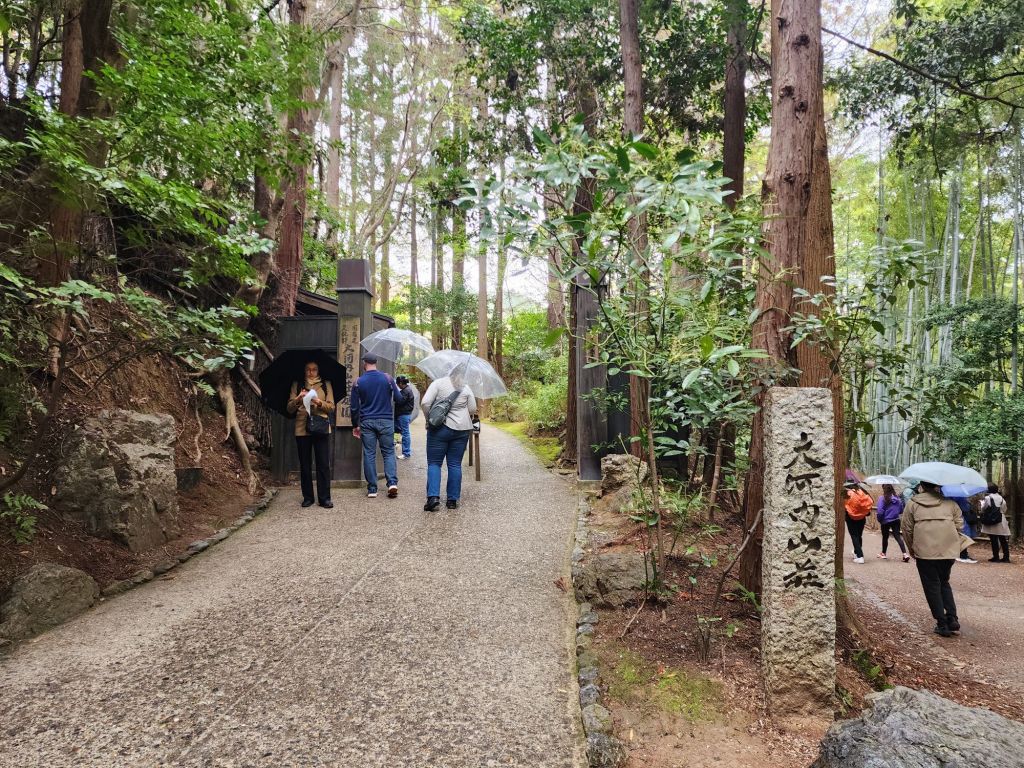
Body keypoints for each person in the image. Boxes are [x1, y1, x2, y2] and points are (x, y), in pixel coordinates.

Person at [903, 482, 966, 637]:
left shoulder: (913, 504)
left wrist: (912, 548)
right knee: (944, 582)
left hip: (925, 552)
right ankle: (952, 618)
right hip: (948, 551)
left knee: (932, 586)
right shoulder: (950, 503)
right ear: (937, 486)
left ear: (922, 486)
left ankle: (942, 623)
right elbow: (960, 525)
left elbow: (907, 529)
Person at [420, 372, 477, 511]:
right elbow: (472, 409)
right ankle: (452, 500)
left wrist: (429, 419)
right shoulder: (466, 387)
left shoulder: (438, 383)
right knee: (455, 464)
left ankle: (433, 498)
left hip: (439, 428)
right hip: (461, 429)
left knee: (434, 463)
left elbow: (425, 403)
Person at [350, 354, 404, 499]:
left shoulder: (358, 382)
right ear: (376, 362)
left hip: (367, 421)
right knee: (388, 452)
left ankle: (372, 489)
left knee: (369, 454)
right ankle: (392, 483)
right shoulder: (387, 378)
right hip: (386, 420)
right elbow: (399, 399)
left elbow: (354, 407)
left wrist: (355, 425)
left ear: (364, 363)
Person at [286, 360, 335, 509]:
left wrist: (319, 402)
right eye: (308, 369)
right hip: (302, 428)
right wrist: (298, 398)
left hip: (321, 427)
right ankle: (308, 497)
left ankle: (324, 498)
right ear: (304, 371)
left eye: (314, 369)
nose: (311, 372)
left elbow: (331, 407)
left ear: (318, 371)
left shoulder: (326, 384)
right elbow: (289, 409)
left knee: (323, 464)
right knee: (305, 464)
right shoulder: (297, 384)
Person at [876, 484, 910, 562]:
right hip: (896, 520)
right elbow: (901, 510)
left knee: (885, 537)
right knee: (898, 537)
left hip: (885, 521)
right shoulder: (898, 499)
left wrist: (879, 519)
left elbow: (880, 511)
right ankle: (905, 554)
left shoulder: (882, 498)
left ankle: (883, 553)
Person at [980, 483, 1011, 563]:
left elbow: (984, 508)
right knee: (1003, 539)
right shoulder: (1001, 498)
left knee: (993, 539)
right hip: (1001, 519)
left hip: (992, 519)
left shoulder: (988, 498)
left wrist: (981, 505)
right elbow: (1004, 509)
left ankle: (996, 557)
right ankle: (1006, 557)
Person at [844, 482, 873, 564]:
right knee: (859, 536)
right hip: (862, 518)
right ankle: (856, 553)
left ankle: (860, 556)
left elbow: (844, 505)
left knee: (854, 536)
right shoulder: (862, 491)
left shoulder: (847, 493)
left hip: (851, 518)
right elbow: (870, 502)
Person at [393, 375, 416, 460]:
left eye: (397, 384)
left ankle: (406, 453)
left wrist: (395, 394)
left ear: (401, 383)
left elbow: (400, 401)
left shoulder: (406, 391)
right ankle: (397, 444)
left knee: (405, 433)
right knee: (397, 430)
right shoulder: (406, 390)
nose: (397, 386)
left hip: (404, 415)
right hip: (402, 414)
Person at [954, 496, 979, 564]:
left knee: (960, 537)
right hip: (962, 519)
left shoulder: (949, 498)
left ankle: (961, 554)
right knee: (964, 537)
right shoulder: (960, 498)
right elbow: (965, 508)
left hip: (955, 519)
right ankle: (963, 555)